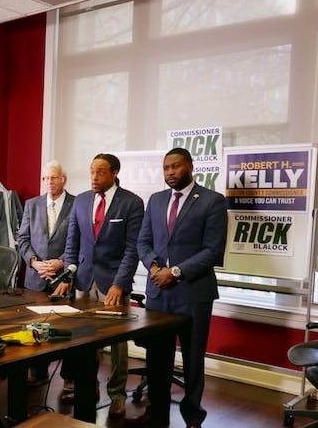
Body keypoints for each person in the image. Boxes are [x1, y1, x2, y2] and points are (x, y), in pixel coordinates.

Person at [126, 147, 227, 428]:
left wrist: (177, 271)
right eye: (166, 168)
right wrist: (155, 268)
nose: (170, 172)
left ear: (191, 167)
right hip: (159, 292)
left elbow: (213, 251)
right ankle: (156, 412)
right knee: (158, 357)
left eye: (176, 167)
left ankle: (193, 417)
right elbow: (143, 242)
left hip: (193, 293)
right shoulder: (156, 200)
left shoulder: (212, 201)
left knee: (193, 360)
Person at [52, 153, 143, 417]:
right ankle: (87, 389)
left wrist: (119, 283)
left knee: (117, 344)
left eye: (100, 172)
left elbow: (132, 249)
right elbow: (72, 242)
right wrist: (68, 276)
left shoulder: (132, 203)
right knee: (83, 340)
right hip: (83, 280)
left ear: (115, 173)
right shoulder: (81, 201)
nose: (94, 177)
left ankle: (117, 395)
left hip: (113, 283)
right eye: (92, 171)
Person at [17, 160, 75, 385]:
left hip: (63, 277)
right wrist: (33, 262)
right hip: (36, 277)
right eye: (46, 178)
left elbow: (79, 241)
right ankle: (38, 374)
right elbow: (22, 239)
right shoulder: (32, 204)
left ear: (64, 179)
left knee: (67, 328)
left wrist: (61, 262)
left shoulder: (77, 204)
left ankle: (69, 379)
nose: (49, 182)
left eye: (53, 178)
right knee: (35, 327)